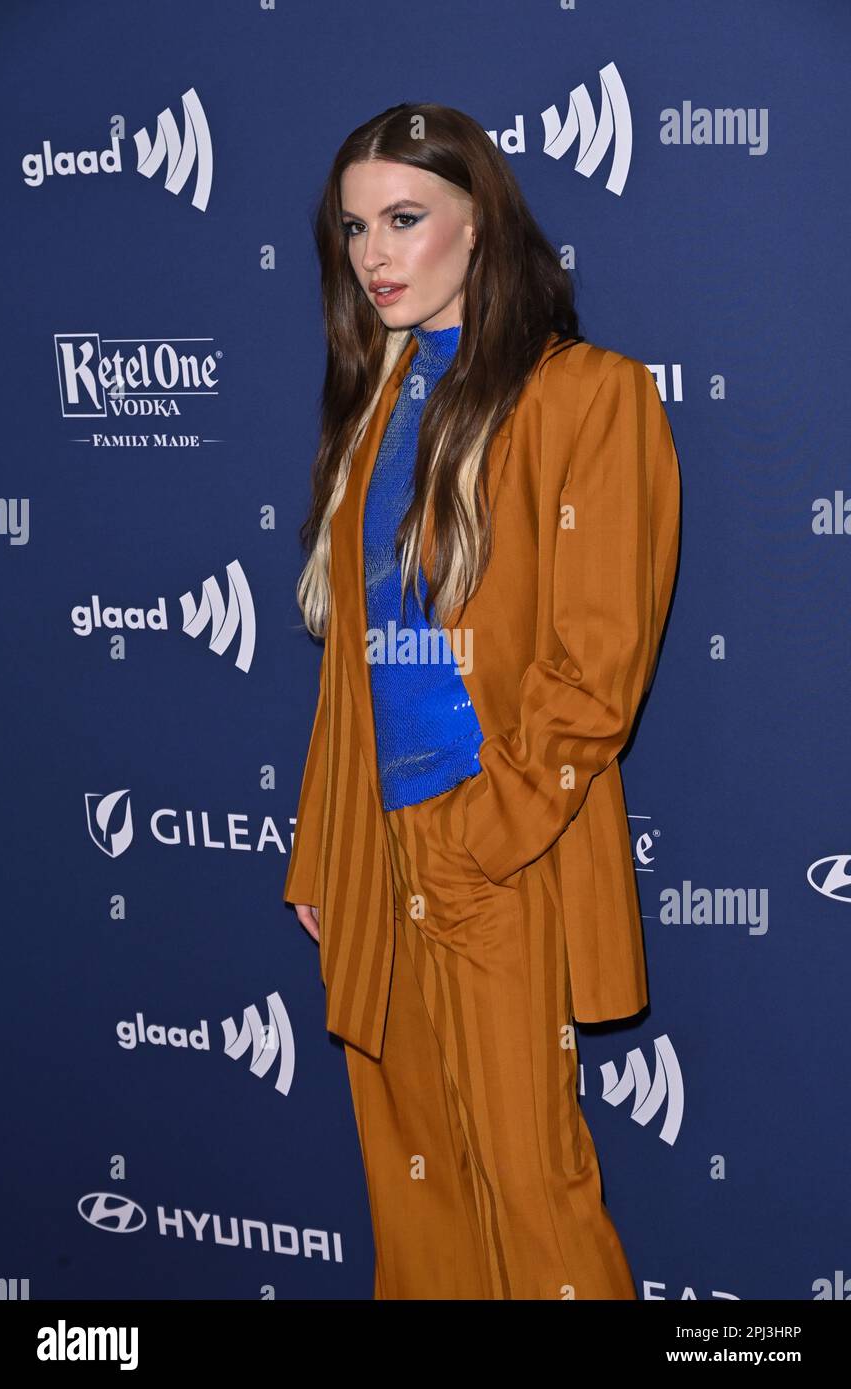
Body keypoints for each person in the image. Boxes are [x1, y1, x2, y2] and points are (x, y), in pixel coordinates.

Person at [284, 101, 681, 1300]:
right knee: (419, 1194)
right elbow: (353, 660)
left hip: (497, 848)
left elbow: (596, 666)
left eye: (405, 219)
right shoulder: (375, 399)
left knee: (531, 1191)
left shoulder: (590, 396)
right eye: (355, 228)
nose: (374, 255)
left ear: (483, 227)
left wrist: (483, 839)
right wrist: (325, 851)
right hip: (375, 844)